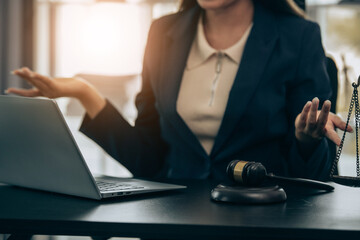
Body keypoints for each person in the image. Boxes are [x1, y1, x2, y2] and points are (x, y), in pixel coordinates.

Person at [7, 0, 352, 182]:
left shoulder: (298, 37)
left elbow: (311, 176)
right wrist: (85, 93)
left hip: (261, 221)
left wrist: (306, 140)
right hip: (173, 220)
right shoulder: (163, 33)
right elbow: (149, 158)